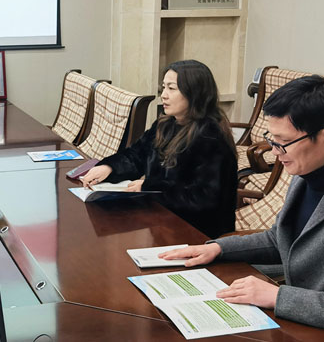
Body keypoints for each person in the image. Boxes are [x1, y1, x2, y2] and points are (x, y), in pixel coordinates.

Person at [160, 75, 324, 328]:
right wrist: (217, 249)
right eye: (272, 140)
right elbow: (280, 239)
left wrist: (278, 296)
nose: (274, 152)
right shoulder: (305, 174)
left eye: (283, 142)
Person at [81, 59, 238, 238]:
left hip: (198, 234)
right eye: (163, 88)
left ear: (194, 93)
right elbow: (137, 155)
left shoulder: (211, 138)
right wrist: (109, 167)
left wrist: (149, 186)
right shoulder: (165, 124)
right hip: (161, 223)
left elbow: (203, 199)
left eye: (171, 88)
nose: (163, 95)